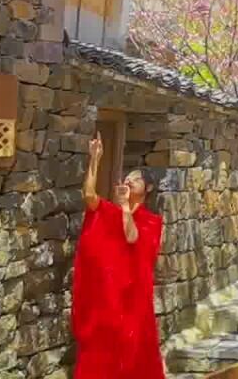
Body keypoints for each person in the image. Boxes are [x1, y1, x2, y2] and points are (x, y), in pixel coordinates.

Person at [73, 134, 164, 379]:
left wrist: (125, 206)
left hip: (132, 301)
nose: (129, 180)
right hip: (106, 298)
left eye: (136, 179)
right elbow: (90, 197)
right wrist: (95, 159)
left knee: (132, 357)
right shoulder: (110, 213)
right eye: (128, 177)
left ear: (149, 188)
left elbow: (132, 237)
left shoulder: (152, 222)